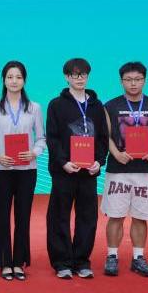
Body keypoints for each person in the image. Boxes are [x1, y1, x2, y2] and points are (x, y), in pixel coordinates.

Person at [45, 58, 109, 280]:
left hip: (88, 172)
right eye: (75, 74)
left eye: (83, 74)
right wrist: (63, 162)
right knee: (59, 216)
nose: (79, 78)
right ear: (67, 77)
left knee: (87, 217)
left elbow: (103, 137)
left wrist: (99, 161)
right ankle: (62, 261)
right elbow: (52, 137)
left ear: (88, 76)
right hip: (64, 170)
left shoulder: (97, 106)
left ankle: (82, 261)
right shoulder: (56, 105)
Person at [102, 62, 148, 277]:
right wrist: (116, 153)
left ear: (144, 81)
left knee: (141, 216)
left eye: (137, 79)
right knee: (115, 215)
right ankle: (112, 256)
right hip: (118, 169)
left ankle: (138, 257)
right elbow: (106, 136)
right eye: (128, 80)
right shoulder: (110, 106)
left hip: (145, 170)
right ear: (121, 81)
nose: (133, 84)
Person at [0, 61, 46, 281]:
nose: (14, 81)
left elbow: (41, 138)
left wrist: (34, 152)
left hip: (27, 170)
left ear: (24, 80)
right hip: (1, 169)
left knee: (23, 216)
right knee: (2, 215)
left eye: (18, 77)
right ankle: (4, 262)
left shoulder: (34, 108)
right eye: (10, 77)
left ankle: (19, 262)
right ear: (3, 80)